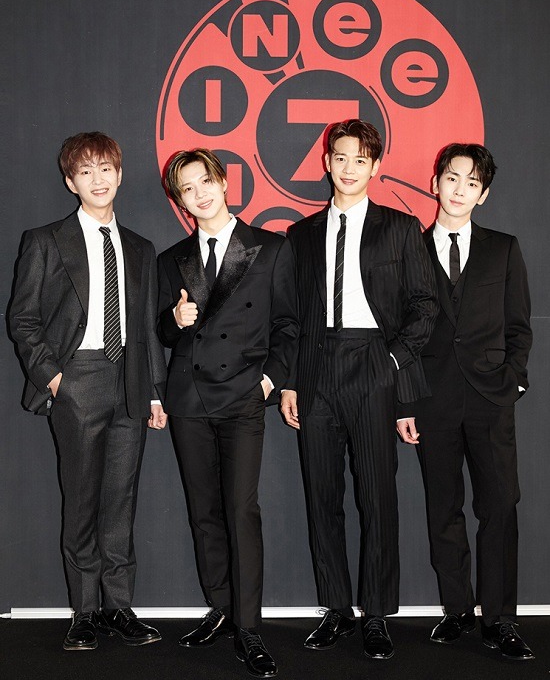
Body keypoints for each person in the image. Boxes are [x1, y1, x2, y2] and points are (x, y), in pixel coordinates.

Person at [281, 119, 438, 660]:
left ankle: (375, 613)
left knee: (377, 496)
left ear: (376, 166)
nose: (349, 168)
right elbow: (291, 316)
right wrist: (291, 380)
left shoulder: (400, 227)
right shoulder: (301, 235)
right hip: (316, 368)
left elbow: (424, 306)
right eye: (341, 157)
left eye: (361, 159)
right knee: (321, 496)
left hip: (373, 361)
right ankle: (336, 609)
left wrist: (391, 361)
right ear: (327, 162)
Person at [9, 132, 167, 651]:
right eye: (85, 171)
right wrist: (55, 377)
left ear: (119, 175)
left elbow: (145, 329)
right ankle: (84, 611)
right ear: (70, 182)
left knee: (121, 501)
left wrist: (154, 393)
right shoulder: (46, 240)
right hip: (77, 378)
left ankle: (118, 607)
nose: (97, 180)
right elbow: (22, 319)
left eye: (105, 169)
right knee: (81, 501)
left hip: (130, 382)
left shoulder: (141, 248)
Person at [158, 148, 298, 678]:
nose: (199, 194)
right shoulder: (172, 258)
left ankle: (249, 626)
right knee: (204, 511)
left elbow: (288, 326)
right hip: (189, 397)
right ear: (180, 200)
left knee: (241, 510)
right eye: (187, 188)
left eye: (205, 181)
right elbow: (160, 333)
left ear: (223, 181)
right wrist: (174, 320)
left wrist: (268, 381)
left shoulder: (270, 247)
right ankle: (220, 607)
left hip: (242, 396)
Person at [397, 143, 534, 660]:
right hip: (431, 401)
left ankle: (500, 618)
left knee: (500, 506)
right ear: (435, 183)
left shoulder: (503, 249)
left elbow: (519, 326)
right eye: (452, 178)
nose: (459, 189)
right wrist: (404, 403)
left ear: (484, 194)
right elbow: (401, 334)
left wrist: (513, 382)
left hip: (490, 399)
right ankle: (457, 610)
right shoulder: (409, 251)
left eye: (471, 183)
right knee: (443, 507)